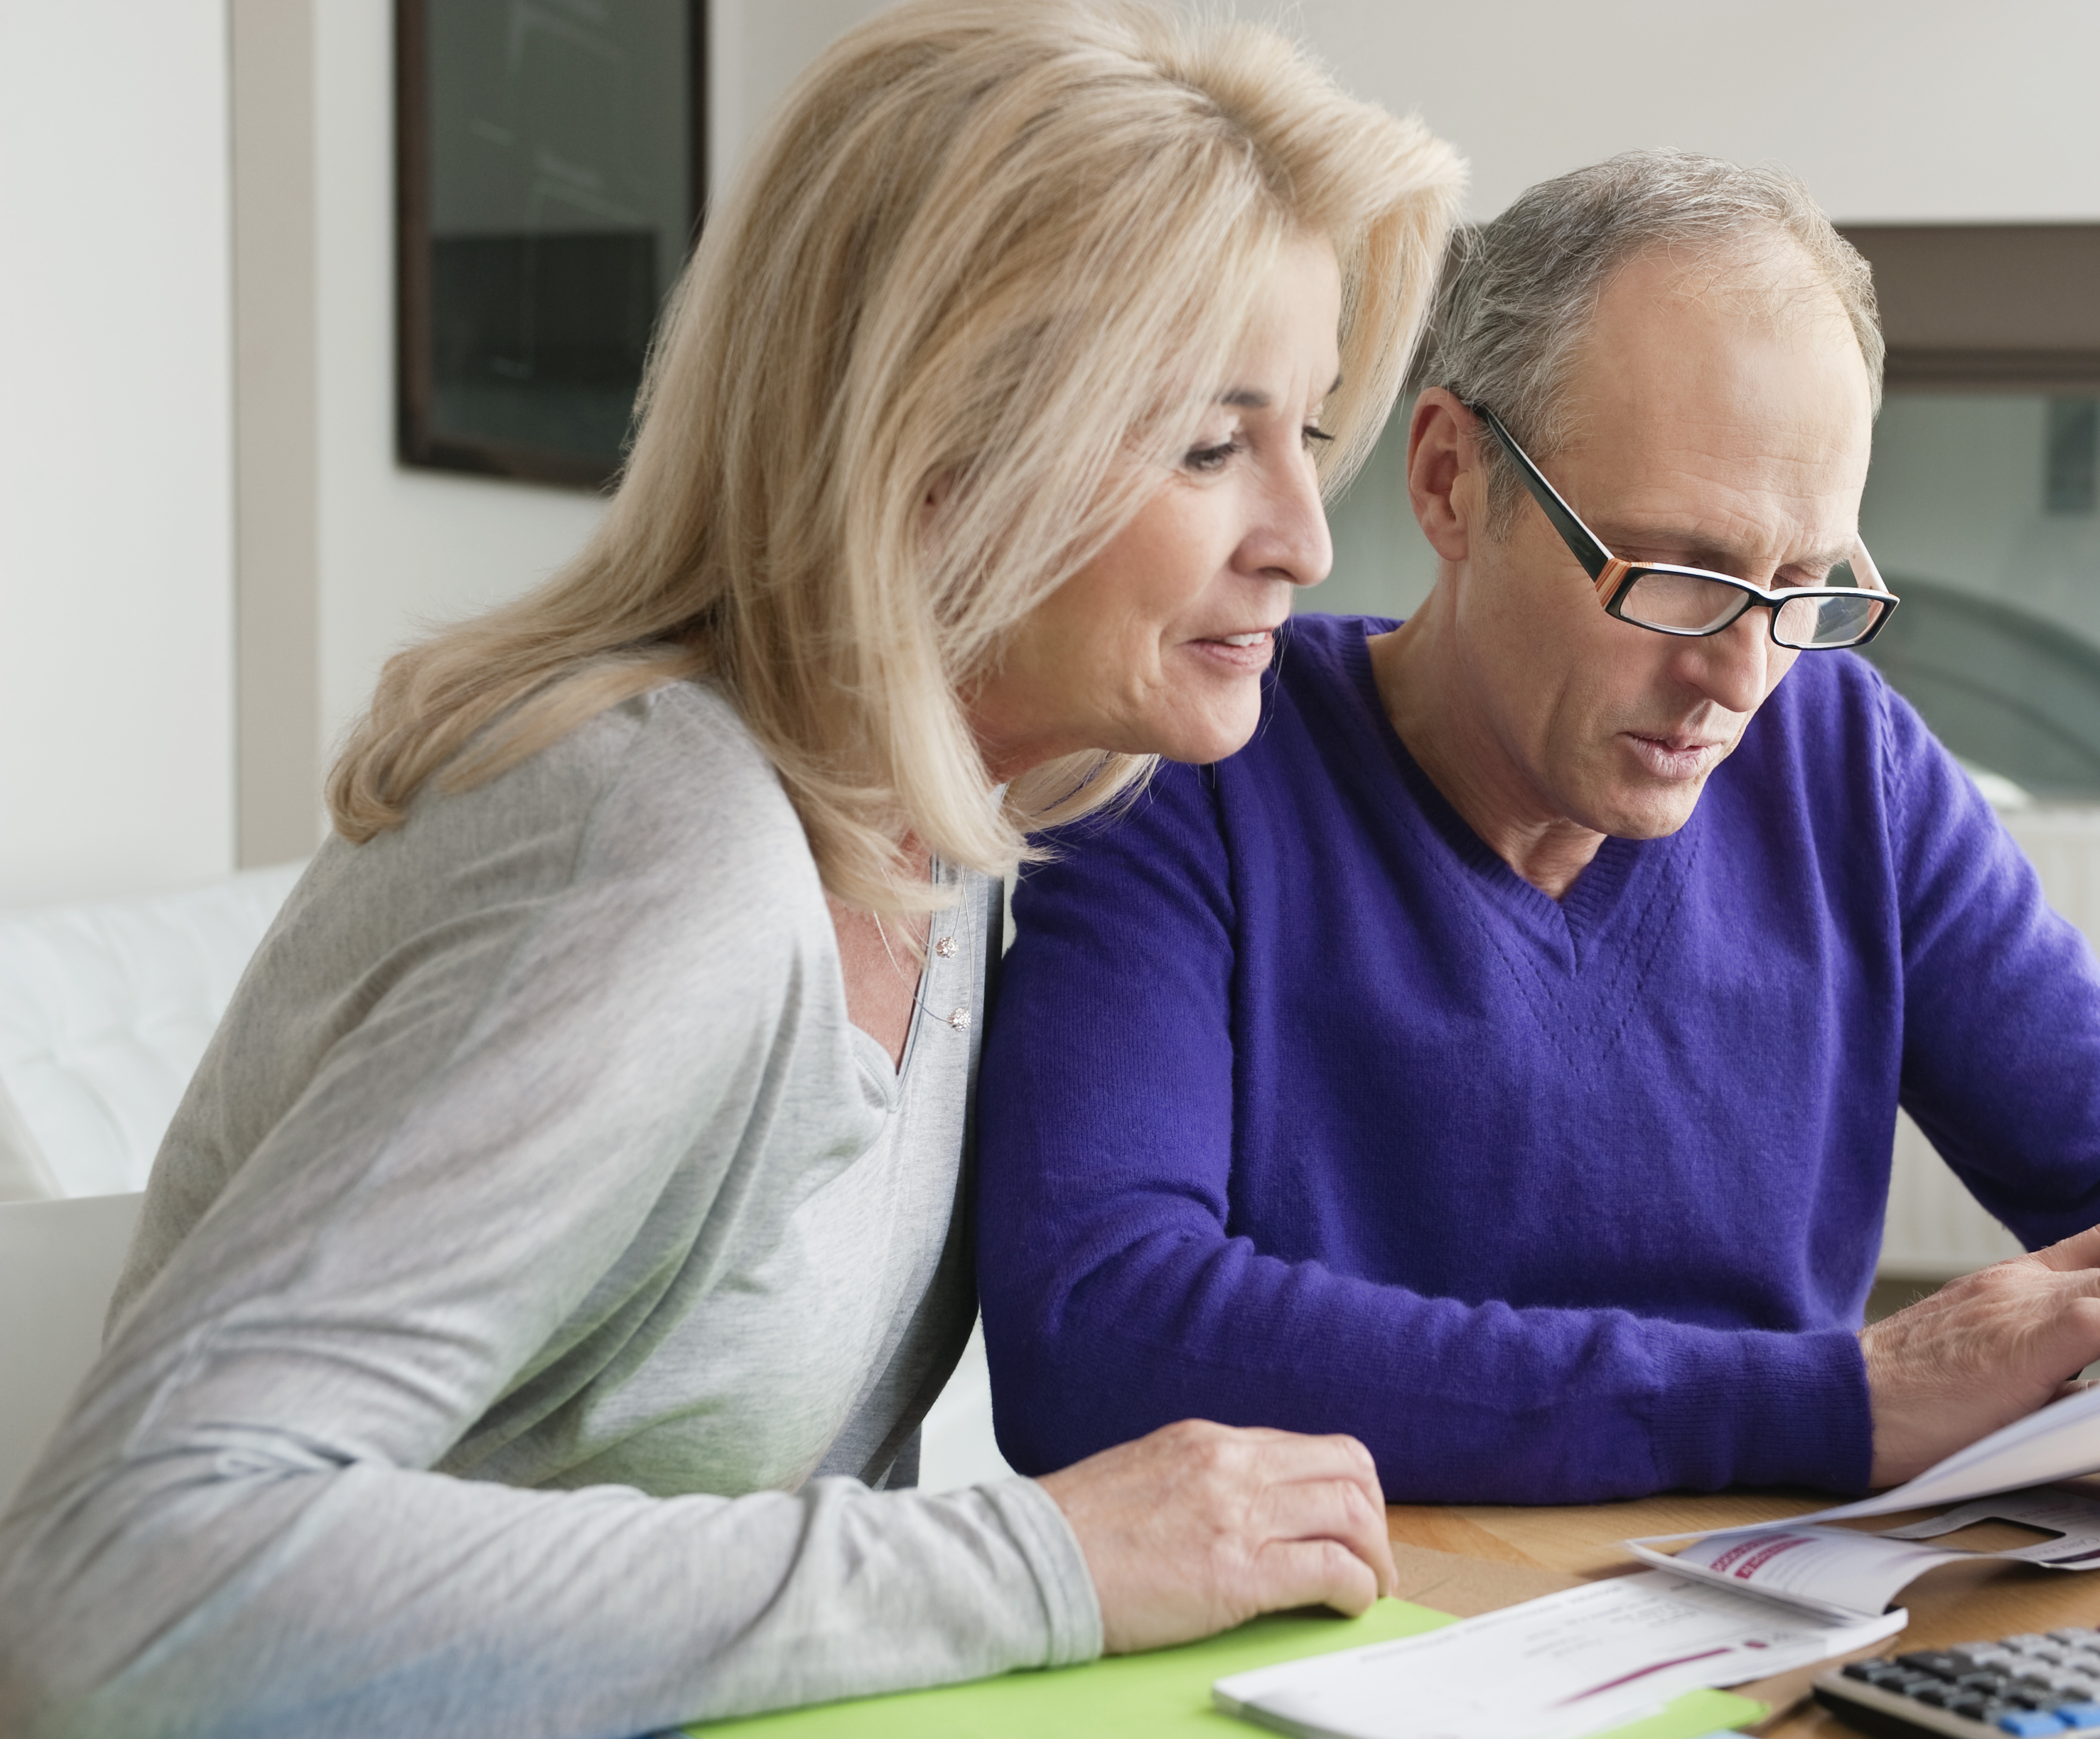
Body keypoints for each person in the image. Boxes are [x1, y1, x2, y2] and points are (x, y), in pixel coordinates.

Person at [0, 6, 1462, 1736]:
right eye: (1215, 444)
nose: (1300, 532)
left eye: (1304, 435)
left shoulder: (944, 836)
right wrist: (1040, 1560)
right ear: (938, 451)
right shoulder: (666, 859)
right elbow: (118, 1582)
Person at [975, 152, 2100, 1567]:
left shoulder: (1843, 760)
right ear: (1448, 482)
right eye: (1679, 576)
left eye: (1803, 587)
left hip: (1760, 1625)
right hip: (1346, 1633)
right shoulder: (1183, 766)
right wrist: (1836, 1400)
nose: (1743, 678)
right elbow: (1095, 1329)